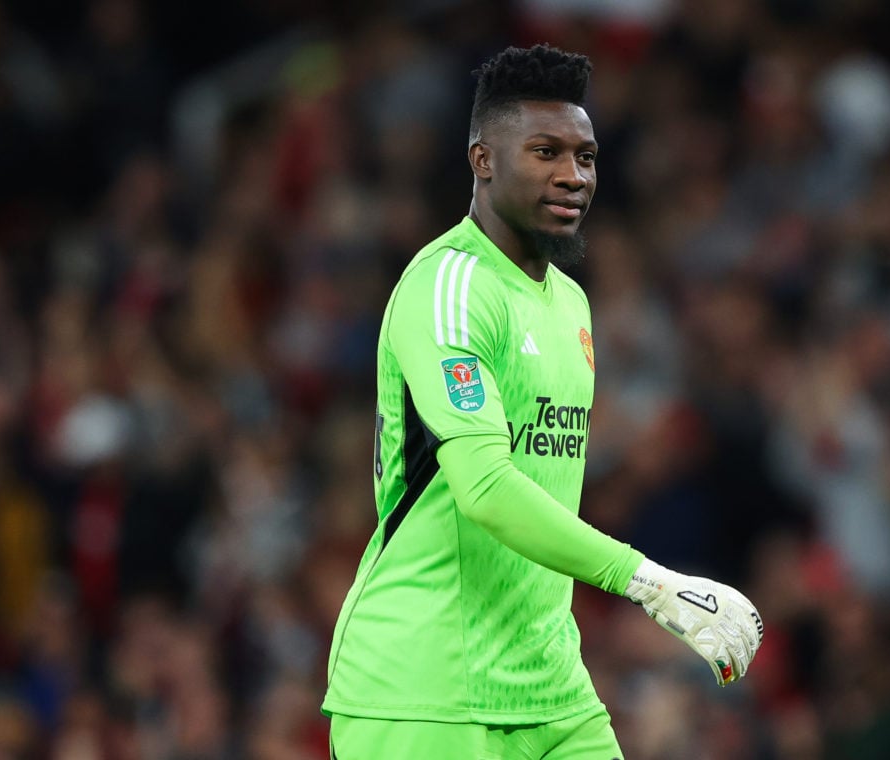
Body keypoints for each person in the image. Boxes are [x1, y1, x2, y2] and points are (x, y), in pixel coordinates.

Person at [322, 44, 763, 760]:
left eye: (585, 156)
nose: (573, 175)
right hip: (426, 690)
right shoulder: (451, 288)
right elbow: (487, 488)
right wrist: (647, 581)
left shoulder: (571, 305)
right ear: (482, 160)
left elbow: (548, 487)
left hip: (549, 686)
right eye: (546, 151)